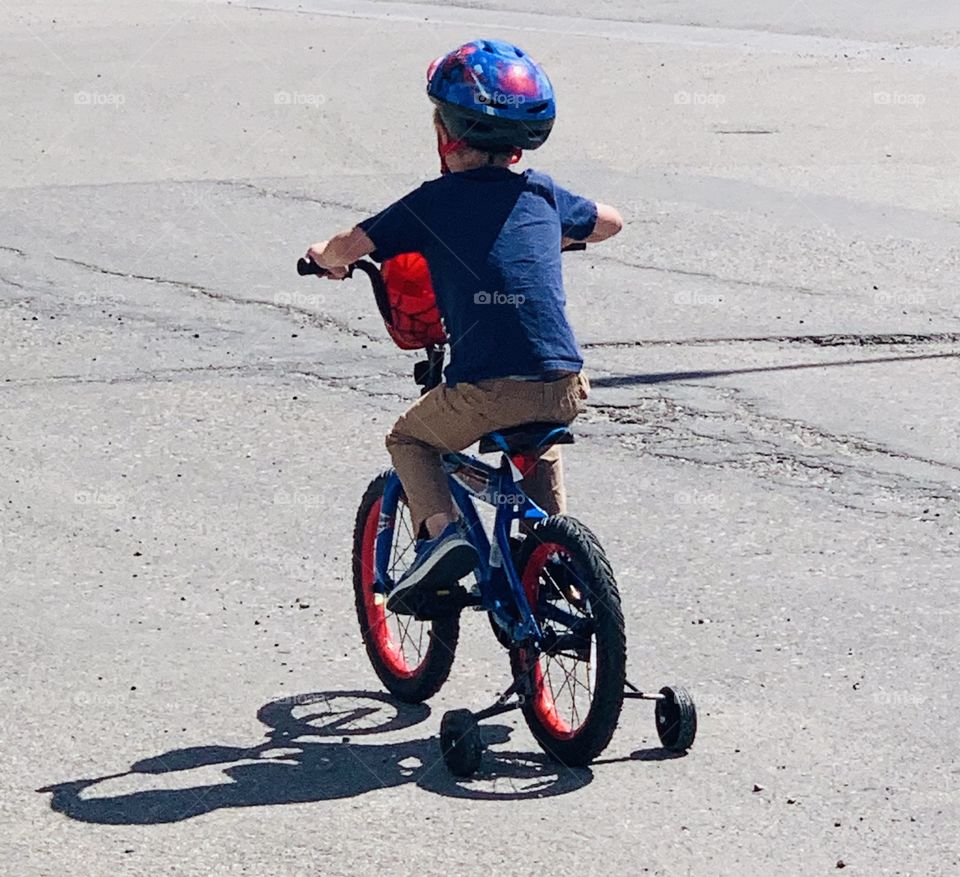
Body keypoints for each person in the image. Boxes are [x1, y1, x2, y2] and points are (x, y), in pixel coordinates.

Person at [305, 39, 623, 607]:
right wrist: (558, 235)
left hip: (487, 390)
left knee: (409, 439)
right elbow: (611, 223)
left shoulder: (433, 202)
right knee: (536, 440)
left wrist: (323, 257)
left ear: (445, 133)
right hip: (564, 386)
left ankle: (441, 535)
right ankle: (553, 554)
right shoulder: (542, 191)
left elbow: (349, 245)